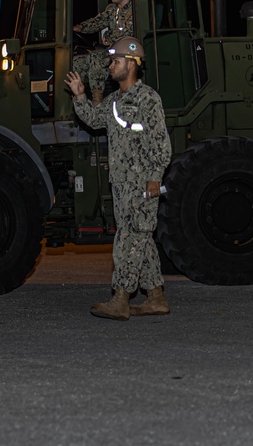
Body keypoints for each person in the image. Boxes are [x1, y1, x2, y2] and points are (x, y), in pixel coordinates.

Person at [63, 36, 172, 320]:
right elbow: (95, 120)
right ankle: (156, 298)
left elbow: (161, 145)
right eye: (111, 61)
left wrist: (153, 178)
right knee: (141, 239)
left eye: (116, 61)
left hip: (142, 184)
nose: (111, 66)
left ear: (133, 64)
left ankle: (121, 298)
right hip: (121, 184)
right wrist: (79, 95)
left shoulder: (148, 98)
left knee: (127, 240)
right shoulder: (114, 101)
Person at [72, 0, 135, 106]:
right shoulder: (112, 10)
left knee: (96, 58)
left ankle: (97, 102)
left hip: (127, 53)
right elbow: (97, 22)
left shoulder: (135, 9)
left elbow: (128, 34)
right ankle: (78, 101)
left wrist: (108, 36)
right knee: (75, 62)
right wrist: (81, 27)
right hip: (112, 51)